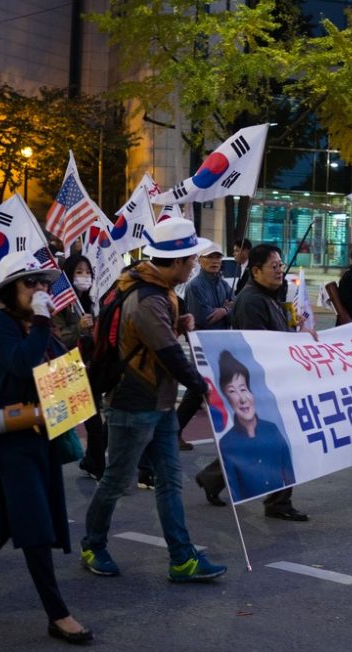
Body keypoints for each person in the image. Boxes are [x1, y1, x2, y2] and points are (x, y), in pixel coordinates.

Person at [0, 251, 92, 644]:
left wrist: (83, 333)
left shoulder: (36, 326)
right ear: (11, 290)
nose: (40, 290)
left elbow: (66, 373)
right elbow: (23, 366)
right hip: (10, 440)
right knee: (35, 527)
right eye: (31, 284)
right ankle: (58, 615)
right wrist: (43, 321)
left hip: (38, 437)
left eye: (44, 284)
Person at [80, 217, 227, 581]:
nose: (195, 263)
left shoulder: (158, 290)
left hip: (158, 404)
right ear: (175, 262)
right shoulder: (147, 298)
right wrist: (205, 387)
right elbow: (168, 355)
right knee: (116, 480)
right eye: (191, 258)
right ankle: (92, 544)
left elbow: (154, 338)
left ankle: (181, 558)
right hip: (134, 403)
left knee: (169, 481)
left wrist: (179, 323)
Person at [196, 244, 311, 520]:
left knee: (258, 443)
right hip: (264, 383)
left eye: (281, 265)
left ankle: (213, 477)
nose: (280, 271)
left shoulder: (269, 296)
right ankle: (278, 503)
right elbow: (256, 345)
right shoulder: (251, 301)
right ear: (256, 271)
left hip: (274, 379)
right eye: (274, 266)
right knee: (282, 441)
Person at [51, 255, 108, 481]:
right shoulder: (61, 301)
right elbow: (58, 337)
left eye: (87, 271)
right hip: (67, 366)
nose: (84, 276)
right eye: (79, 271)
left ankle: (93, 461)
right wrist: (79, 326)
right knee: (72, 422)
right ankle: (95, 464)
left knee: (95, 419)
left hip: (89, 366)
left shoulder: (92, 301)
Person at [177, 242, 234, 456]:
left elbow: (234, 305)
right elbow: (203, 317)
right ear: (200, 261)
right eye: (210, 257)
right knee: (199, 388)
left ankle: (175, 430)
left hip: (219, 342)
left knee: (204, 388)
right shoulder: (195, 286)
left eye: (218, 257)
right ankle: (174, 430)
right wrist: (223, 310)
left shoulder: (222, 283)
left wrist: (224, 310)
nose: (215, 261)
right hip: (202, 342)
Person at [216, 351, 296, 502]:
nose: (242, 399)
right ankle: (210, 480)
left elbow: (288, 472)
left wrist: (285, 500)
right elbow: (235, 490)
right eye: (232, 391)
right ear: (226, 398)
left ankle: (279, 503)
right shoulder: (227, 443)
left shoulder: (272, 429)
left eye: (244, 389)